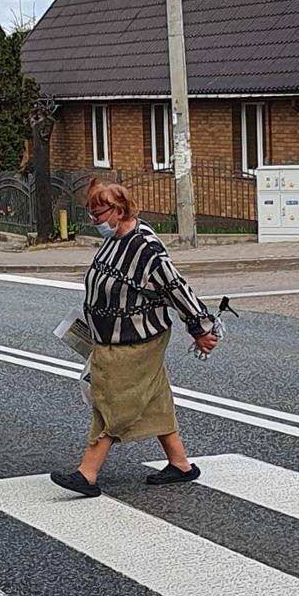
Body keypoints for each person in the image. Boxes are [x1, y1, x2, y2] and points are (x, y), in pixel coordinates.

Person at [50, 181, 219, 498]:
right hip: (112, 336)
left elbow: (176, 288)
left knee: (114, 400)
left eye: (98, 214)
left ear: (119, 210)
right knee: (154, 398)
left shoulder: (145, 247)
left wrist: (201, 328)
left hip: (135, 340)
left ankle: (87, 473)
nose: (94, 221)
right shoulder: (115, 238)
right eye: (91, 214)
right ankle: (180, 464)